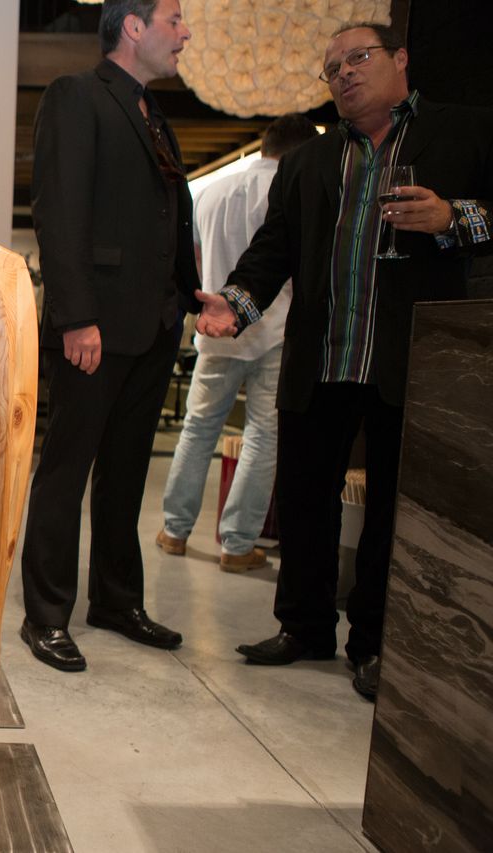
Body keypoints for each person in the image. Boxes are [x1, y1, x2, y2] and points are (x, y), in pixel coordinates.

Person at [196, 22, 493, 700]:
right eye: (332, 69)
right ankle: (303, 626)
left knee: (391, 510)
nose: (345, 74)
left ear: (401, 59)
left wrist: (452, 218)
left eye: (358, 58)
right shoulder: (310, 162)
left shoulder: (464, 132)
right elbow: (272, 252)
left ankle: (374, 644)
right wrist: (234, 305)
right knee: (304, 497)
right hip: (323, 354)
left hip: (410, 360)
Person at [19, 0, 198, 674]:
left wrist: (191, 294)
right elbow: (59, 208)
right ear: (133, 26)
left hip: (154, 325)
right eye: (174, 19)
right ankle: (46, 614)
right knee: (66, 471)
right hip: (95, 326)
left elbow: (163, 219)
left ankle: (117, 602)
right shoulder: (77, 95)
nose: (184, 33)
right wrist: (76, 317)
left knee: (126, 474)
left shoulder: (154, 115)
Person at [157, 114, 318, 572]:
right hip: (275, 330)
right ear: (301, 153)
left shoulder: (212, 192)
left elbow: (192, 258)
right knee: (263, 437)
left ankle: (174, 530)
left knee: (198, 428)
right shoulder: (291, 192)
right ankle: (237, 543)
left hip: (216, 327)